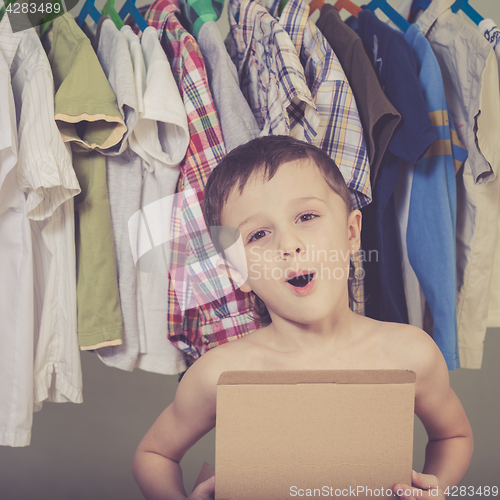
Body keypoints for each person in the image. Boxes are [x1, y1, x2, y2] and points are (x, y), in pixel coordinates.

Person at [132, 136, 473, 500]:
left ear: (351, 233)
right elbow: (153, 455)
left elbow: (453, 435)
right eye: (258, 234)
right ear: (236, 272)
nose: (288, 244)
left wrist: (435, 488)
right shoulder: (220, 374)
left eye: (306, 216)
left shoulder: (410, 354)